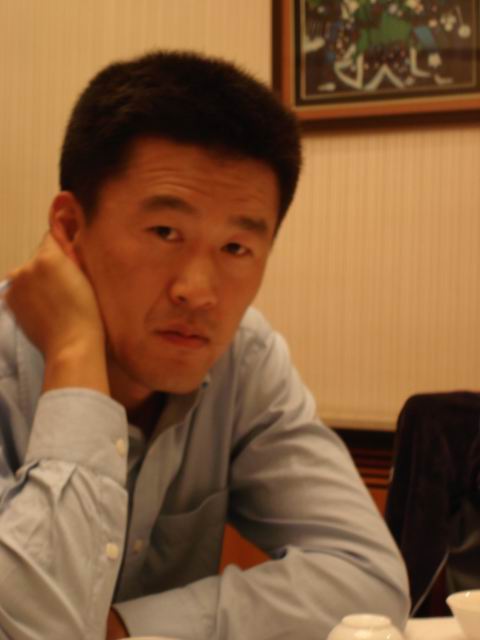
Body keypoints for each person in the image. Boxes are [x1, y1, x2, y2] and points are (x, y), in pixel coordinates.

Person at [0, 50, 410, 640]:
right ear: (68, 228)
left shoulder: (244, 359)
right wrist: (73, 354)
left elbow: (368, 580)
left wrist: (125, 629)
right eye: (165, 232)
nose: (198, 292)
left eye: (236, 248)